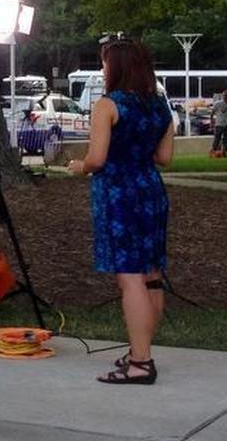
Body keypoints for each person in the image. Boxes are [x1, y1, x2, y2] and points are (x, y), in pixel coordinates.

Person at [68, 39, 174, 385]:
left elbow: (97, 159)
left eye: (104, 63)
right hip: (150, 190)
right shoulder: (160, 106)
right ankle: (140, 349)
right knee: (152, 273)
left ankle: (140, 362)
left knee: (129, 278)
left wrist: (78, 166)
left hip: (118, 194)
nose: (102, 69)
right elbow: (164, 158)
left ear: (114, 67)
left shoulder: (107, 105)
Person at [212, 90, 227, 155]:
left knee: (226, 139)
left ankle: (224, 151)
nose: (225, 97)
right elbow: (212, 113)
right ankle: (214, 151)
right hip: (219, 124)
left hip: (226, 124)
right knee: (217, 138)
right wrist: (211, 122)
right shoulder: (218, 103)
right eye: (225, 96)